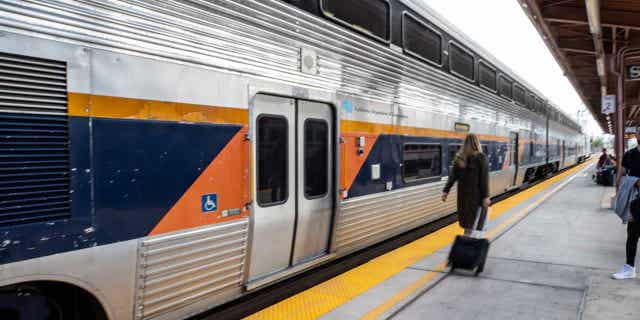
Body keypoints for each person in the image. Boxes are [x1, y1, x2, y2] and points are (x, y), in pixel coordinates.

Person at [441, 133, 490, 236]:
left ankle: (467, 243)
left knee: (468, 225)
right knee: (476, 226)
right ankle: (468, 246)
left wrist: (446, 191)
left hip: (463, 198)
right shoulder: (481, 158)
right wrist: (486, 196)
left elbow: (452, 177)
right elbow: (484, 179)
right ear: (477, 143)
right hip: (476, 198)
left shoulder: (459, 158)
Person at [612, 128, 640, 280]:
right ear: (637, 135)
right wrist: (624, 187)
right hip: (635, 202)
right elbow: (620, 175)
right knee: (632, 235)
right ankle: (629, 268)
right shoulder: (629, 155)